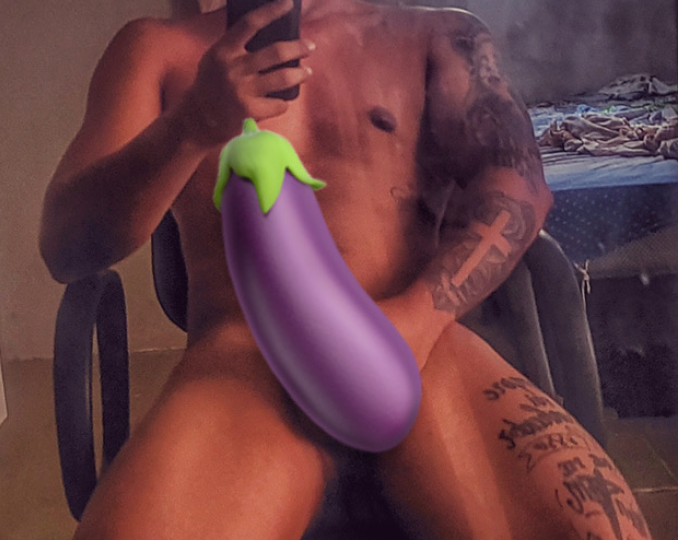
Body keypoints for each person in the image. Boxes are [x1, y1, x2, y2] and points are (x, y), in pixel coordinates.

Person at [40, 0, 652, 538]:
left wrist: (411, 323)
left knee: (601, 531)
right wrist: (189, 127)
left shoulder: (436, 35)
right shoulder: (155, 51)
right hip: (242, 365)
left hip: (418, 344)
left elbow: (519, 185)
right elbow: (66, 248)